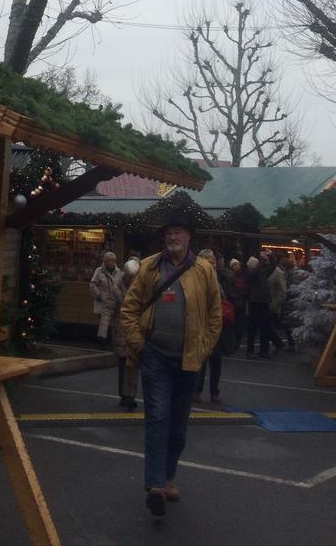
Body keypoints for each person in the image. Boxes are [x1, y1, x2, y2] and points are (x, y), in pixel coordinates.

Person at [120, 213, 222, 518]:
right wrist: (139, 345)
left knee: (178, 426)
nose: (172, 237)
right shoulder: (149, 266)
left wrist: (204, 347)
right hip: (155, 356)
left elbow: (215, 314)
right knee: (157, 416)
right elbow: (129, 308)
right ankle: (155, 486)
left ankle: (167, 478)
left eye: (178, 232)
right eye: (169, 233)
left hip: (189, 358)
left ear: (189, 237)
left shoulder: (204, 269)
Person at [194, 249, 224, 404]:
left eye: (213, 258)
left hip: (215, 322)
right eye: (209, 258)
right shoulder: (198, 276)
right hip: (201, 322)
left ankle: (214, 391)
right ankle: (197, 390)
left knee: (215, 360)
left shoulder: (219, 276)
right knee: (202, 359)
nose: (212, 261)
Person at [117, 254, 142, 409]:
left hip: (134, 331)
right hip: (121, 331)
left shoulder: (141, 287)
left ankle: (130, 395)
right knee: (123, 365)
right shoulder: (118, 288)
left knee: (133, 365)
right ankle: (124, 394)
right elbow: (110, 309)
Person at [89, 251, 124, 343]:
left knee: (118, 323)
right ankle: (102, 341)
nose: (111, 262)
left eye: (113, 260)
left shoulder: (119, 272)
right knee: (104, 322)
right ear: (105, 261)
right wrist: (99, 295)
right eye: (109, 260)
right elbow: (93, 285)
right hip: (105, 301)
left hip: (117, 300)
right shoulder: (99, 271)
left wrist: (122, 297)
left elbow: (122, 285)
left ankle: (117, 341)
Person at [245, 255, 272, 358]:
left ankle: (264, 350)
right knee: (253, 328)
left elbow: (272, 268)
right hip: (255, 302)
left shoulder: (262, 273)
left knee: (265, 327)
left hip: (264, 301)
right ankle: (250, 351)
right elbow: (254, 273)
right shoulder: (250, 273)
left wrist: (271, 257)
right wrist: (262, 260)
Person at [226, 258, 247, 349]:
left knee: (239, 324)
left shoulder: (242, 275)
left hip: (241, 303)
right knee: (233, 324)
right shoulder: (229, 276)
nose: (236, 266)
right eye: (234, 265)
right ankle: (233, 342)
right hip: (233, 302)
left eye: (237, 264)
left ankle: (237, 341)